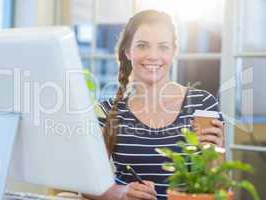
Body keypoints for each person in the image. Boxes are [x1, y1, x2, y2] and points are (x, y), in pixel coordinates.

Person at [87, 9, 225, 200]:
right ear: (128, 51)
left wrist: (214, 154)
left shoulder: (202, 105)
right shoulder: (108, 110)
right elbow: (87, 183)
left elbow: (220, 186)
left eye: (163, 47)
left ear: (174, 52)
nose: (153, 55)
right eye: (143, 45)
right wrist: (119, 192)